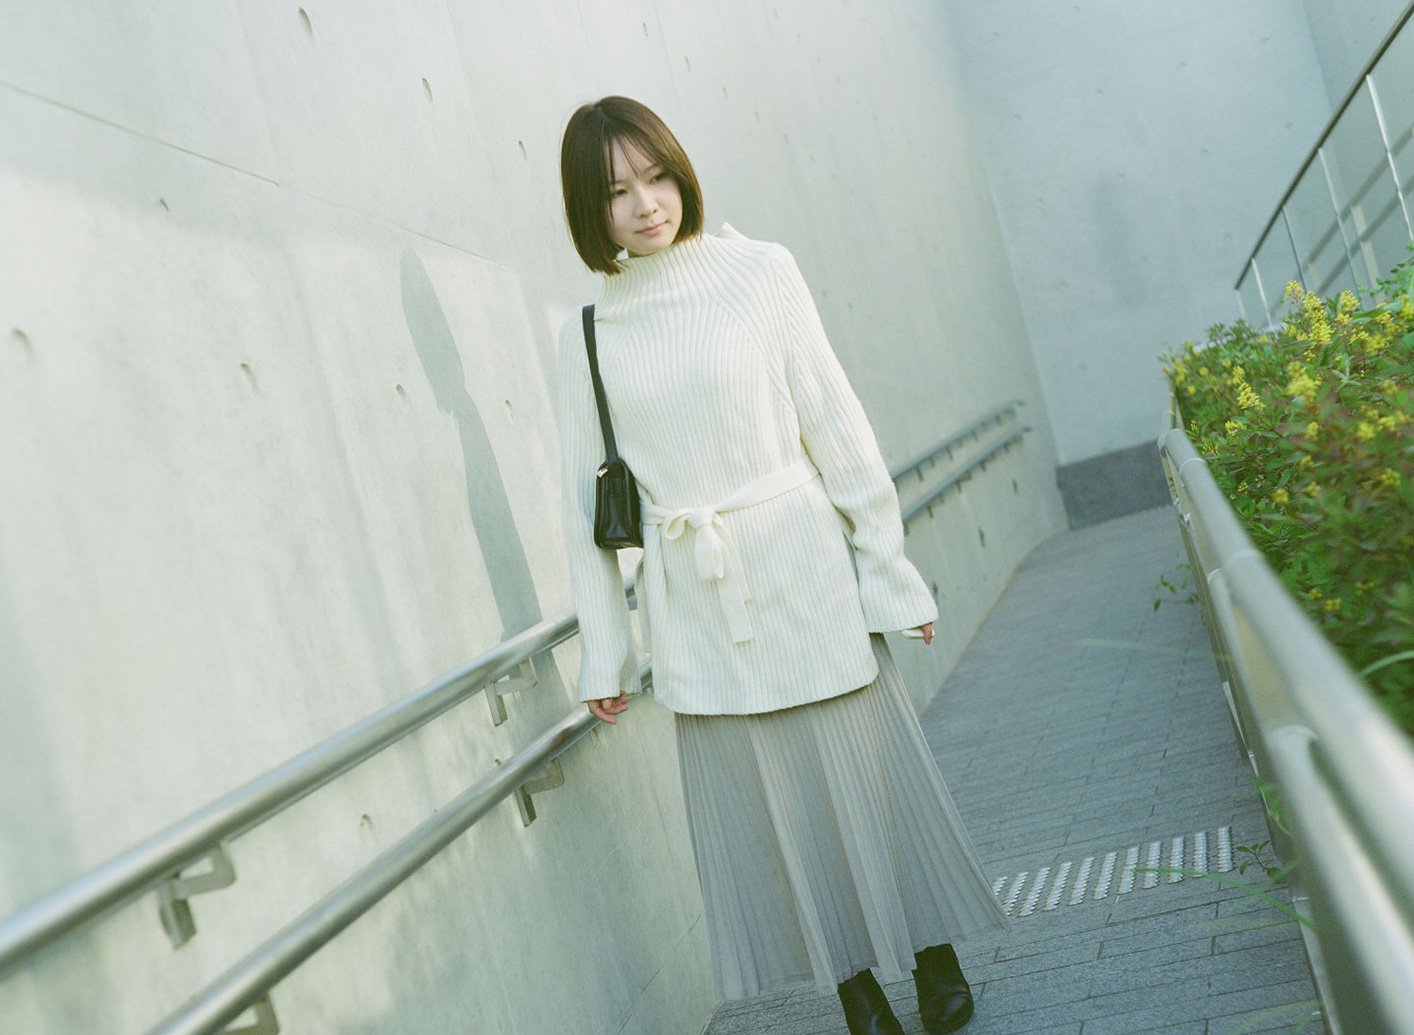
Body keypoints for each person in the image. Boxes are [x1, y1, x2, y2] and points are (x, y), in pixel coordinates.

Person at [555, 95, 1008, 1035]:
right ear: (587, 211)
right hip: (696, 597)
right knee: (773, 807)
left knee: (873, 766)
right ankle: (853, 988)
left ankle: (931, 954)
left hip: (799, 560)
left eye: (657, 176)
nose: (646, 204)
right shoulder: (588, 336)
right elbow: (584, 510)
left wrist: (888, 575)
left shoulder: (760, 272)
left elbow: (837, 426)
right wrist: (606, 655)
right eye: (616, 192)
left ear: (681, 172)